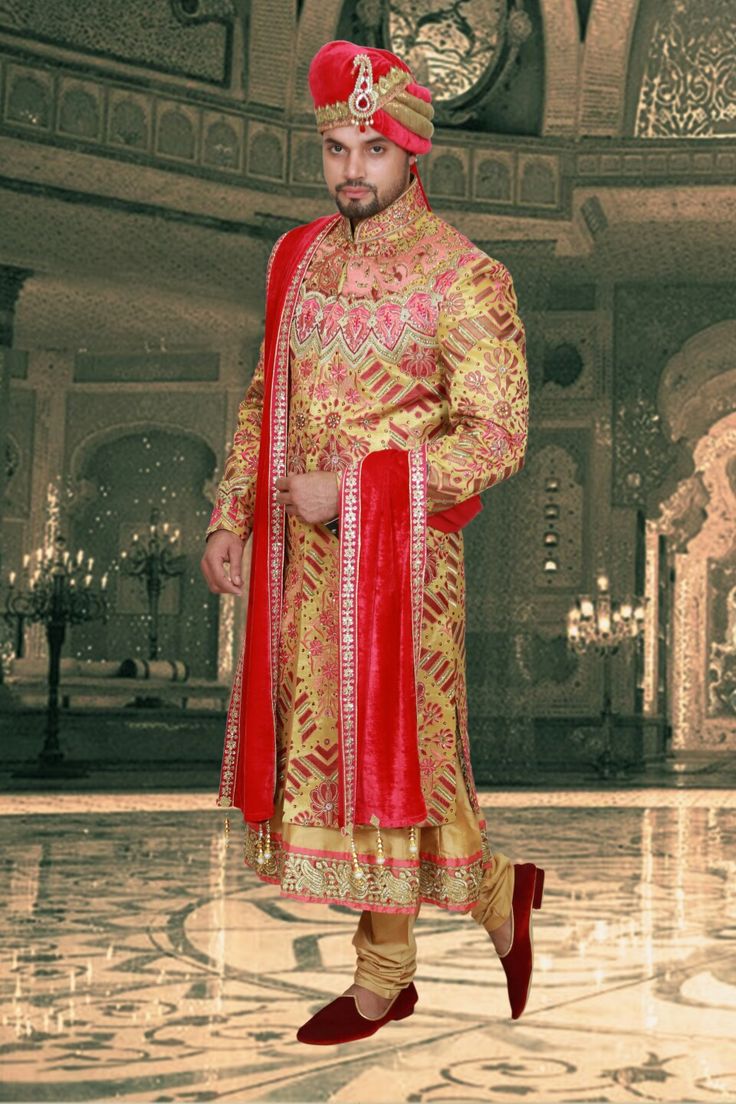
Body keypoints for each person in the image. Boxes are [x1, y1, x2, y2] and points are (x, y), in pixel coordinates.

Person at [200, 40, 543, 1046]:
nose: (351, 171)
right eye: (336, 150)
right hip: (298, 571)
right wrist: (235, 512)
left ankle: (385, 972)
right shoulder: (297, 261)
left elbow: (496, 437)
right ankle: (477, 908)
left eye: (373, 153)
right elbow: (268, 396)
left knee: (400, 766)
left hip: (401, 569)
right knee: (343, 771)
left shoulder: (466, 279)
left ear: (413, 157)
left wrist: (354, 492)